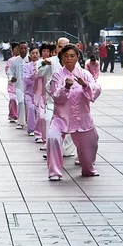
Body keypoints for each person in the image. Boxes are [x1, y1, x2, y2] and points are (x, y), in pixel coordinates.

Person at [46, 44, 101, 181]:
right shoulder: (57, 75)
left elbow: (97, 89)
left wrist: (84, 84)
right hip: (61, 117)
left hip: (82, 117)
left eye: (72, 56)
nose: (69, 59)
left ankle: (88, 168)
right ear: (62, 58)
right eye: (66, 56)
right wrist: (67, 87)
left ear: (77, 57)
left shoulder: (85, 74)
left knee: (92, 142)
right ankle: (55, 171)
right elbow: (56, 96)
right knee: (53, 138)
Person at [7, 42, 30, 130]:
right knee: (20, 102)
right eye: (21, 48)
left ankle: (30, 121)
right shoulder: (14, 60)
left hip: (30, 88)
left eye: (25, 48)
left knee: (30, 105)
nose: (23, 50)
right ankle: (20, 122)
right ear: (18, 49)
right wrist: (12, 78)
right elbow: (10, 72)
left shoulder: (31, 59)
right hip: (19, 86)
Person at [23, 47, 40, 138]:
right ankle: (31, 128)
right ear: (30, 55)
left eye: (36, 53)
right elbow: (26, 79)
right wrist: (33, 76)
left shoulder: (42, 64)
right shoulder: (26, 66)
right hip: (29, 92)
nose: (35, 55)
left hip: (39, 93)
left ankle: (39, 129)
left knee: (39, 111)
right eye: (33, 53)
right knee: (31, 107)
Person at [6, 43, 20, 123]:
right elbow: (8, 71)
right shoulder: (10, 61)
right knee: (13, 98)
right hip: (13, 84)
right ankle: (12, 115)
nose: (18, 50)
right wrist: (11, 78)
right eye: (16, 48)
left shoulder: (25, 60)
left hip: (22, 85)